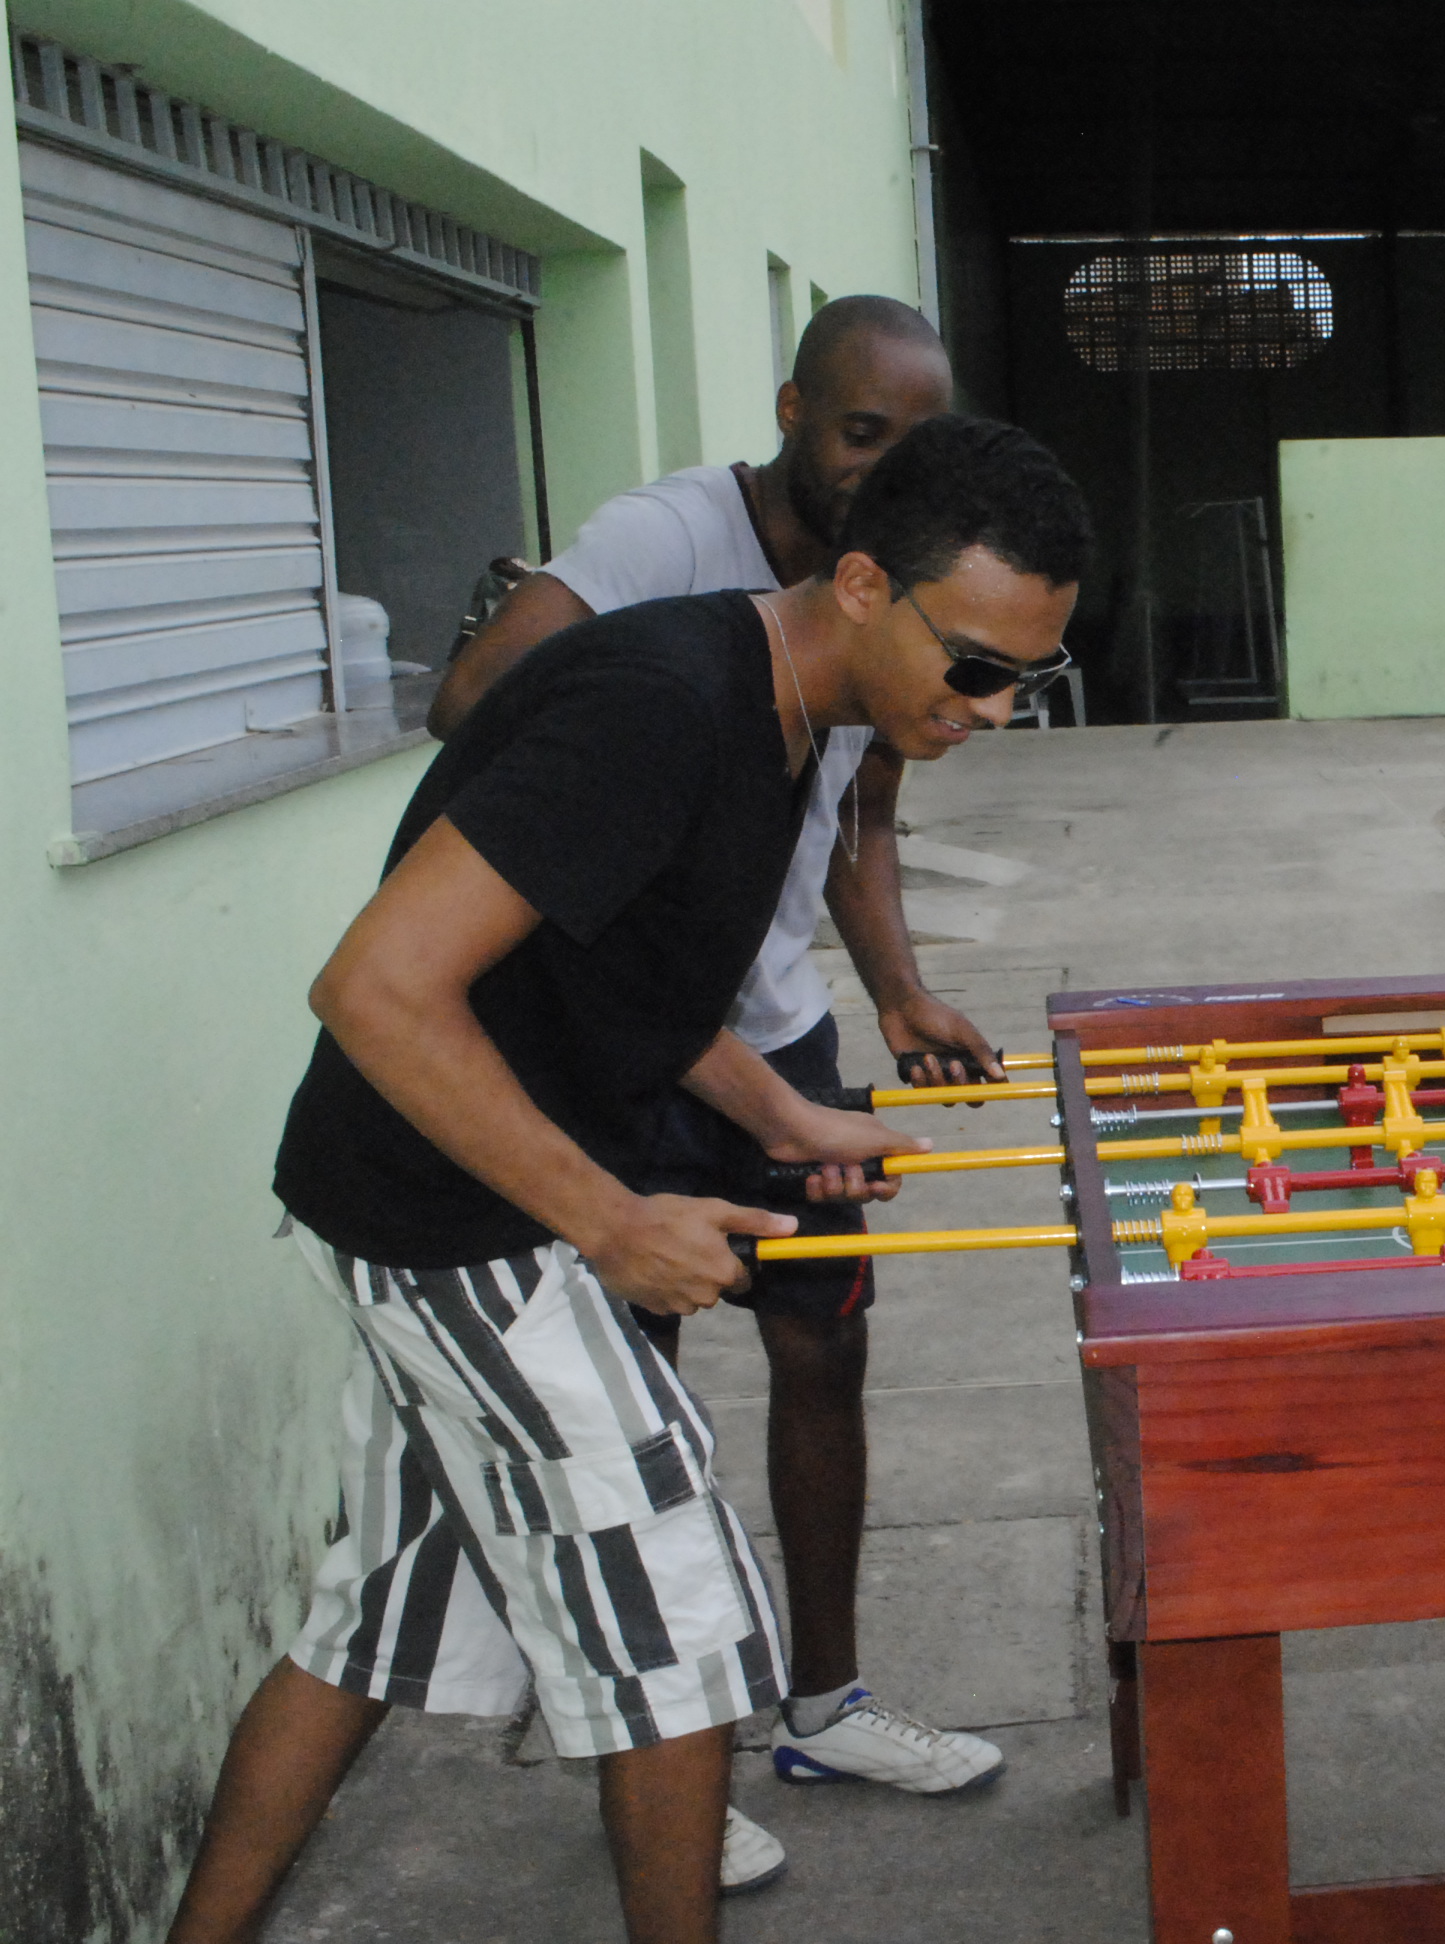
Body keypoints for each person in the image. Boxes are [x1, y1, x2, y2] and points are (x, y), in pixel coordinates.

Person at [166, 415, 1090, 1944]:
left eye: (1029, 681)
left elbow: (629, 982)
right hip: (456, 1219)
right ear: (866, 583)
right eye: (978, 665)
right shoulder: (659, 706)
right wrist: (610, 1221)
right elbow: (375, 987)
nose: (993, 708)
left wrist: (784, 1114)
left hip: (442, 1196)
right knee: (683, 1633)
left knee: (377, 1623)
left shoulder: (793, 714)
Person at [433, 298, 1011, 1872]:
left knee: (826, 1344)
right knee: (636, 1409)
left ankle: (826, 1705)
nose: (884, 464)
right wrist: (623, 817)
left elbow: (865, 811)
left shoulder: (901, 574)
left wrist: (898, 994)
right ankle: (663, 1762)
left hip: (771, 1036)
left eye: (914, 438)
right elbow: (476, 700)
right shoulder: (666, 542)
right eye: (861, 430)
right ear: (792, 411)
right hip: (626, 1038)